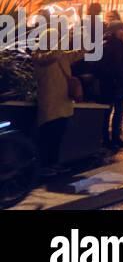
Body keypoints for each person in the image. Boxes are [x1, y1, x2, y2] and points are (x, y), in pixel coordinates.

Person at [32, 48, 81, 177]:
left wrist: (87, 36)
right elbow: (51, 57)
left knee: (58, 135)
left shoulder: (61, 55)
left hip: (63, 102)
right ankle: (44, 165)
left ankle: (53, 163)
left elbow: (79, 53)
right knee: (48, 135)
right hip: (50, 102)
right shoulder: (39, 55)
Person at [98, 21, 123, 150]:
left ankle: (116, 136)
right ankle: (105, 138)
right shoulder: (106, 44)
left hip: (120, 82)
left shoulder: (122, 45)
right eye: (121, 30)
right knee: (107, 112)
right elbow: (104, 65)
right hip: (110, 82)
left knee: (119, 111)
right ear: (114, 30)